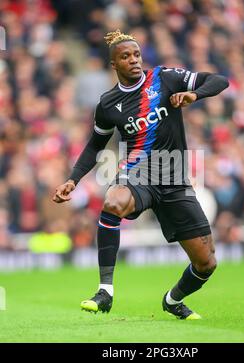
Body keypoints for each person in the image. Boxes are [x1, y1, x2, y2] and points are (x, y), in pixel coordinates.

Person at [53, 29, 229, 320]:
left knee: (206, 263)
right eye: (126, 56)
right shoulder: (108, 104)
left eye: (136, 54)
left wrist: (194, 94)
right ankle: (105, 291)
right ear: (114, 65)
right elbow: (94, 146)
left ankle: (173, 300)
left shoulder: (165, 78)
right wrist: (73, 179)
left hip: (174, 179)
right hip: (139, 173)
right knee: (113, 200)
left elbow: (219, 80)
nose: (134, 60)